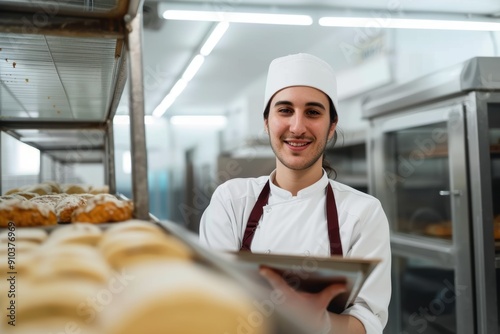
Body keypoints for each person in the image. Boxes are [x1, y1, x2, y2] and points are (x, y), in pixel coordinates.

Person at [199, 53, 391, 334]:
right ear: (266, 121)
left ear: (331, 125)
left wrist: (320, 321)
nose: (297, 127)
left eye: (313, 112)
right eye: (285, 110)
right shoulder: (232, 200)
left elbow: (368, 322)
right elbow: (212, 301)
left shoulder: (363, 212)